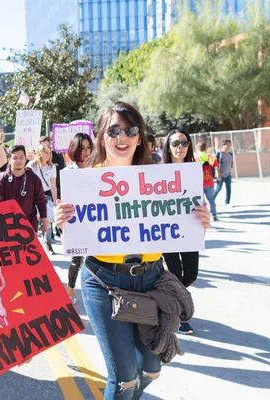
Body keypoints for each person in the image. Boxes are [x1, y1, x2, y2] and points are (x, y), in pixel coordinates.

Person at [54, 102, 211, 399]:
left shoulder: (161, 179)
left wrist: (199, 220)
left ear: (140, 137)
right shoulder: (83, 182)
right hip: (103, 282)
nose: (122, 136)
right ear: (101, 136)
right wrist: (63, 222)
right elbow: (76, 235)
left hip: (150, 281)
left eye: (131, 129)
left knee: (151, 370)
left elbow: (181, 223)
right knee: (125, 379)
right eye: (113, 130)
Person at [161, 128, 199, 335]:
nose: (180, 147)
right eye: (175, 144)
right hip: (166, 232)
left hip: (190, 229)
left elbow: (198, 200)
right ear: (168, 146)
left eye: (184, 143)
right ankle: (180, 316)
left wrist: (204, 217)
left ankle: (166, 303)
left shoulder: (194, 170)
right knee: (174, 273)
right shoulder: (157, 172)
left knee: (191, 275)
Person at [63, 132, 93, 302]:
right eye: (82, 149)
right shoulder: (68, 172)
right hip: (76, 220)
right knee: (77, 258)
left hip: (95, 219)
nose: (86, 152)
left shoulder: (98, 168)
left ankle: (92, 292)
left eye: (89, 148)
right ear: (75, 150)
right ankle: (71, 288)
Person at [0, 145, 48, 236]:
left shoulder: (34, 179)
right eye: (15, 158)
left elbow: (41, 202)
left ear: (25, 159)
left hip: (29, 226)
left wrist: (44, 224)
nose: (19, 161)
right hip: (8, 228)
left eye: (21, 157)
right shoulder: (2, 180)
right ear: (9, 160)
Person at [27, 144, 57, 254]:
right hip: (33, 196)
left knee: (48, 220)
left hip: (46, 196)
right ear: (40, 153)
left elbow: (53, 185)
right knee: (33, 220)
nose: (48, 155)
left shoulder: (52, 167)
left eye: (49, 152)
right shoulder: (31, 165)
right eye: (45, 152)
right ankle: (32, 243)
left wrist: (55, 201)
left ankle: (47, 243)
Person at [196, 140, 218, 221]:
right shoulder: (211, 157)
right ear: (205, 148)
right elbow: (216, 168)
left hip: (199, 184)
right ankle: (214, 215)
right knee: (211, 199)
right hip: (210, 182)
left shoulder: (196, 158)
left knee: (200, 201)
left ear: (197, 149)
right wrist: (218, 176)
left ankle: (201, 217)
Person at [214, 139, 233, 207]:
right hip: (220, 175)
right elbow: (215, 165)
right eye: (227, 145)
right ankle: (212, 201)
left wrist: (230, 171)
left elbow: (231, 163)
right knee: (218, 189)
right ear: (223, 145)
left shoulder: (230, 154)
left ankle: (227, 202)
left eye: (229, 145)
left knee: (229, 189)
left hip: (228, 175)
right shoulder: (218, 154)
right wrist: (218, 174)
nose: (229, 146)